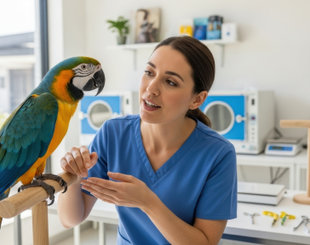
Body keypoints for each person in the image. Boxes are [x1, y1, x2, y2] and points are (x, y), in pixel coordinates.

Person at [57, 35, 237, 244]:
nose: (151, 88)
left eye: (170, 82)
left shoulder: (218, 154)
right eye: (149, 72)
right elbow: (70, 219)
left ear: (197, 99)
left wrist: (147, 202)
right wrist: (73, 176)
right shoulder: (114, 133)